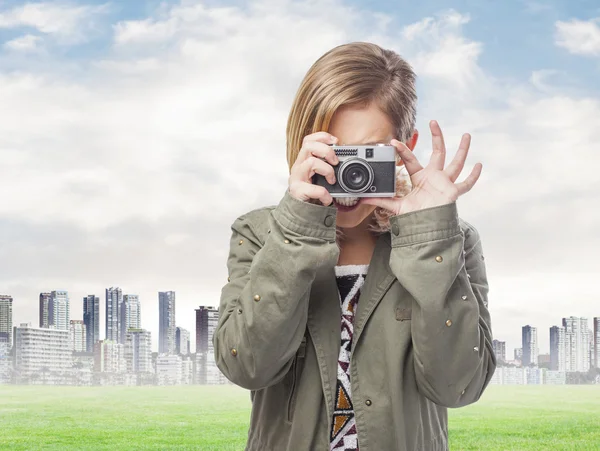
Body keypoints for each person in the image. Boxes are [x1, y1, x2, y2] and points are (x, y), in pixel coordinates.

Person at [213, 41, 496, 451]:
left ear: (405, 146)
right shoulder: (261, 233)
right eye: (333, 152)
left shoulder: (451, 240)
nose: (348, 172)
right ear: (301, 145)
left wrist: (428, 236)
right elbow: (246, 366)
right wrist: (298, 228)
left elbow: (460, 386)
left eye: (368, 154)